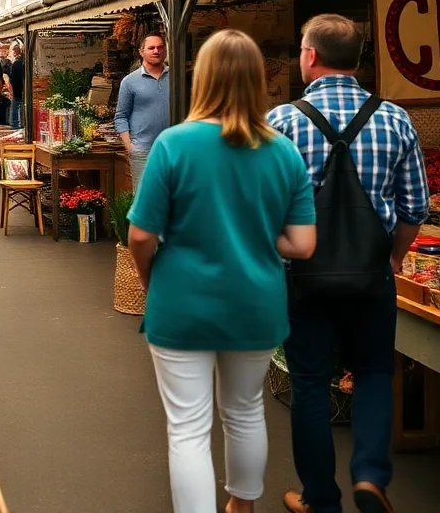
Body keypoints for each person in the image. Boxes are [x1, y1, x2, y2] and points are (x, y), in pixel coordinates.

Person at [126, 29, 317, 513]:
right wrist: (254, 230)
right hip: (256, 302)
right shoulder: (283, 151)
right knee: (246, 410)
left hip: (181, 301)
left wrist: (150, 281)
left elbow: (141, 235)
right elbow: (302, 244)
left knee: (188, 428)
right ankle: (242, 505)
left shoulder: (174, 144)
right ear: (257, 80)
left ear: (202, 78)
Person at [267, 15, 429, 513]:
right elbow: (415, 208)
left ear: (311, 55)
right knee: (375, 371)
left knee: (310, 383)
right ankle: (371, 476)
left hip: (302, 277)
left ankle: (320, 498)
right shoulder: (394, 118)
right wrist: (394, 256)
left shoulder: (282, 122)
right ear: (358, 59)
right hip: (371, 274)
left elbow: (263, 206)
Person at [115, 34, 171, 186]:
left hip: (173, 147)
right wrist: (130, 147)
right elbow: (121, 116)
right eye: (151, 48)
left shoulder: (176, 77)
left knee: (173, 194)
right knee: (144, 193)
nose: (156, 51)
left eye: (160, 47)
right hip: (143, 150)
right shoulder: (129, 82)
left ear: (165, 50)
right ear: (141, 52)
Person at [8, 44, 25, 130]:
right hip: (23, 88)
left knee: (15, 106)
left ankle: (15, 124)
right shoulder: (24, 63)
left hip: (16, 88)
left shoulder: (16, 63)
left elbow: (12, 79)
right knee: (21, 106)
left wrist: (11, 90)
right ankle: (22, 124)